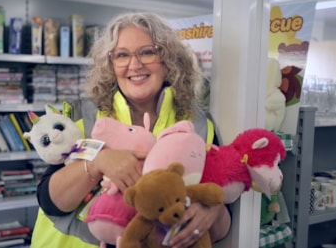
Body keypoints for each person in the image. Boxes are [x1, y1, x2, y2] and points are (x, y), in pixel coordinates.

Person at [31, 12, 231, 248]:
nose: (134, 65)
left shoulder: (198, 125)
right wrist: (96, 162)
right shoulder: (83, 117)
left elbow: (224, 221)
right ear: (110, 64)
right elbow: (49, 200)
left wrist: (213, 210)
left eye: (147, 52)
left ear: (168, 60)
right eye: (122, 55)